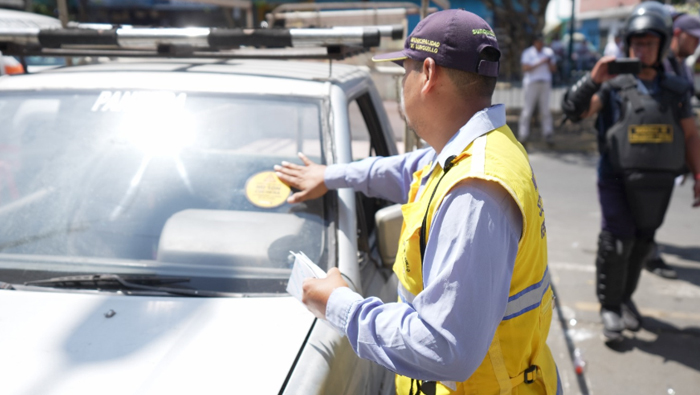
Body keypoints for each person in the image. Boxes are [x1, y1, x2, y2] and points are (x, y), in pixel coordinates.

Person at [275, 9, 561, 395]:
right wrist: (330, 175)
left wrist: (338, 305)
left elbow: (446, 348)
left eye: (403, 71)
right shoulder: (479, 148)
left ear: (427, 73)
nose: (402, 83)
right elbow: (407, 169)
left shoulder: (473, 194)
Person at [561, 2, 700, 343]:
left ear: (663, 44)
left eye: (649, 43)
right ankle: (609, 305)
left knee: (642, 243)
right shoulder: (612, 86)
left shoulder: (676, 90)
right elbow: (575, 112)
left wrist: (699, 175)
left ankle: (625, 299)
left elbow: (691, 134)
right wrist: (594, 78)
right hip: (616, 177)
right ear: (626, 44)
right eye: (636, 42)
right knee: (617, 241)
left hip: (659, 182)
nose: (641, 48)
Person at [644, 12, 700, 279]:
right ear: (678, 34)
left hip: (674, 152)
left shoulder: (683, 67)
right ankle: (648, 254)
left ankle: (647, 249)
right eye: (694, 37)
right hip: (654, 151)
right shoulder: (660, 66)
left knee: (655, 209)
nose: (697, 44)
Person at [518, 34, 556, 145]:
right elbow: (525, 68)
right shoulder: (528, 53)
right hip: (531, 83)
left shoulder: (549, 52)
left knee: (545, 110)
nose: (541, 43)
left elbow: (554, 69)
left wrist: (548, 62)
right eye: (539, 41)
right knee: (527, 110)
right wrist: (540, 62)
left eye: (542, 41)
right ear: (535, 42)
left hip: (545, 83)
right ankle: (523, 134)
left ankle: (548, 133)